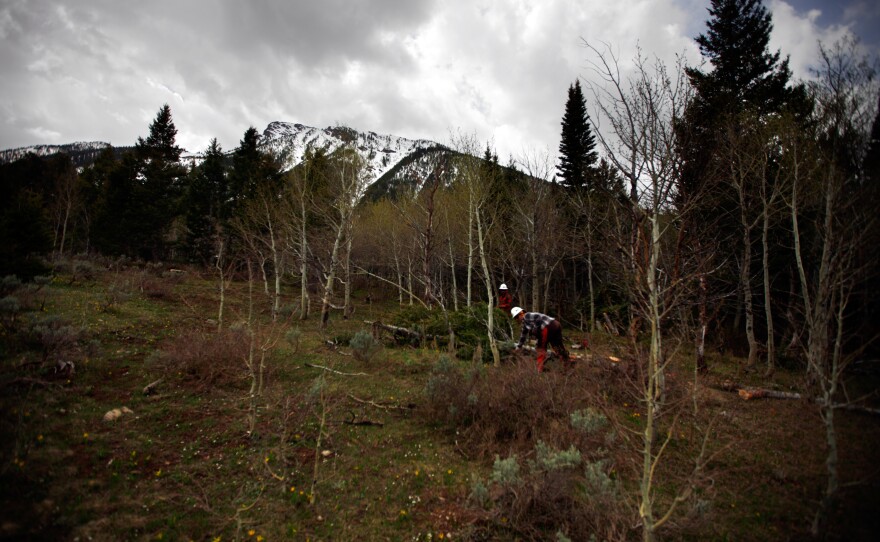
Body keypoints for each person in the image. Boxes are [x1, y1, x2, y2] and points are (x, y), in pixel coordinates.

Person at [511, 306, 572, 372]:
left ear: (521, 313)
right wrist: (518, 347)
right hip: (555, 325)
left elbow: (538, 318)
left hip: (548, 327)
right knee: (557, 347)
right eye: (515, 318)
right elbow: (523, 336)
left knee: (540, 348)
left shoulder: (527, 316)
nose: (517, 319)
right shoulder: (525, 324)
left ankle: (540, 370)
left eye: (517, 317)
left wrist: (536, 329)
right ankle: (568, 364)